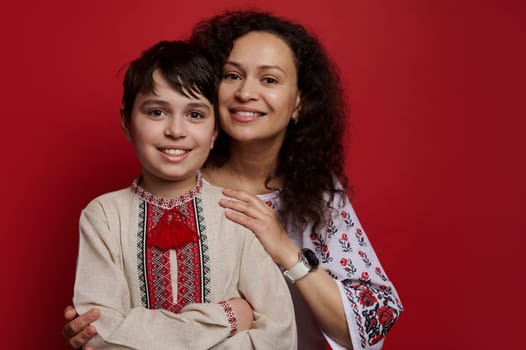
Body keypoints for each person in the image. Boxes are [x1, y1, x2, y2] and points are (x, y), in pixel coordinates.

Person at [64, 10, 403, 350]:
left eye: (269, 79)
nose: (245, 93)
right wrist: (226, 317)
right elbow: (103, 328)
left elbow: (368, 322)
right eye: (232, 75)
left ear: (299, 102)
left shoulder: (315, 192)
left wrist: (285, 249)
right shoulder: (175, 170)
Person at [71, 39, 297, 350]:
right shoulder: (104, 216)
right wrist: (227, 317)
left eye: (195, 115)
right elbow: (98, 336)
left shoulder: (238, 212)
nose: (176, 130)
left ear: (215, 129)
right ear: (127, 121)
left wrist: (132, 329)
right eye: (157, 112)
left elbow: (279, 336)